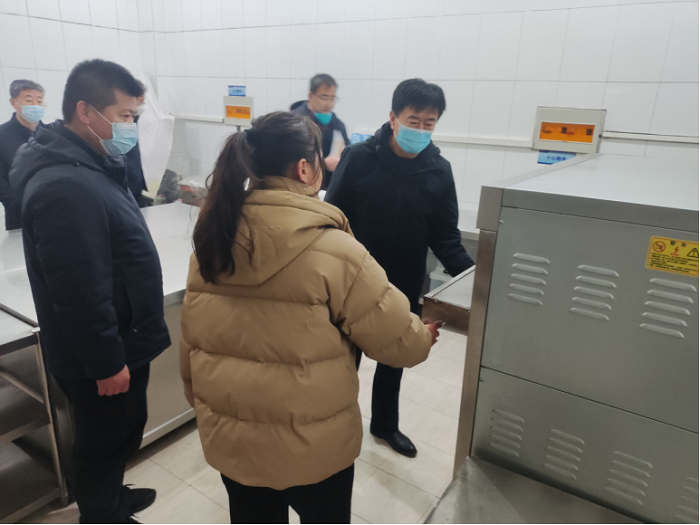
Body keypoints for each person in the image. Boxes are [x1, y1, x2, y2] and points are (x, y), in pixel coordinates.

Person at [180, 111, 441, 524]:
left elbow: (193, 343)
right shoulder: (335, 249)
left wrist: (214, 411)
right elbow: (397, 341)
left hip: (236, 444)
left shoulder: (212, 239)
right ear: (305, 169)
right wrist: (421, 336)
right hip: (314, 446)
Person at [10, 59, 171, 524]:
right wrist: (105, 361)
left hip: (121, 335)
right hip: (102, 352)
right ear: (85, 111)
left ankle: (112, 497)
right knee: (103, 439)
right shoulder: (65, 185)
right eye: (125, 116)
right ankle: (101, 515)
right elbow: (77, 289)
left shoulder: (90, 164)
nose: (131, 126)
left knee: (122, 430)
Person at [325, 79, 475, 459]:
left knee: (394, 355)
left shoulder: (438, 170)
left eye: (429, 123)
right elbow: (332, 219)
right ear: (393, 118)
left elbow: (445, 237)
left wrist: (474, 280)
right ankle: (335, 422)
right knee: (344, 357)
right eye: (413, 121)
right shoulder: (359, 158)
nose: (421, 130)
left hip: (404, 282)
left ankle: (384, 424)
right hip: (353, 280)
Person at [0, 79, 45, 230]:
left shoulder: (51, 133)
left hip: (51, 209)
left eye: (39, 101)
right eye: (29, 100)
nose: (35, 105)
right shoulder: (2, 135)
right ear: (13, 102)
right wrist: (16, 204)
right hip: (18, 216)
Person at [291, 73, 349, 189]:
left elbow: (347, 152)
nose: (329, 104)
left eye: (332, 98)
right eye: (324, 97)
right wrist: (324, 164)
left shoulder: (337, 124)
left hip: (328, 187)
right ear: (311, 96)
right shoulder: (295, 123)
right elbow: (291, 159)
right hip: (301, 187)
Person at [124, 93, 152, 208]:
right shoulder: (121, 125)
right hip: (126, 186)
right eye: (140, 102)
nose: (141, 106)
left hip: (137, 187)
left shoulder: (138, 122)